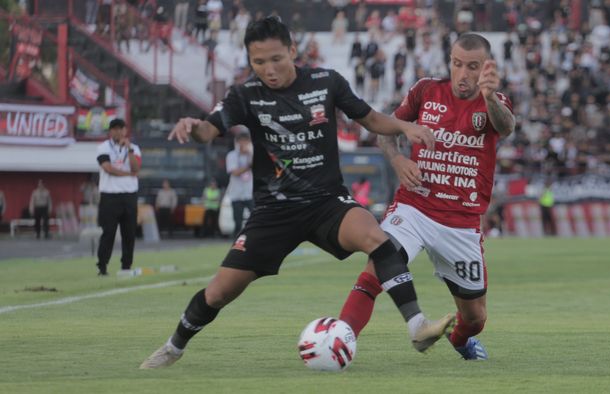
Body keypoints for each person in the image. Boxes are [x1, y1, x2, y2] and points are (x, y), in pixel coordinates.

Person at [140, 16, 452, 369]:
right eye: (259, 62)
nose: (269, 70)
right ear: (249, 60)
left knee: (378, 239)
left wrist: (405, 126)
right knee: (219, 292)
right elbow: (208, 132)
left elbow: (369, 118)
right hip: (275, 211)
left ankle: (417, 326)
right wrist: (192, 126)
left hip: (326, 202)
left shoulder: (326, 82)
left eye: (276, 59)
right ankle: (173, 348)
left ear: (292, 51)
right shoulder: (245, 95)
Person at [337, 33, 515, 361]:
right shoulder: (426, 90)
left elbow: (506, 127)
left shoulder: (495, 102)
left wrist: (489, 97)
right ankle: (339, 338)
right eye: (457, 64)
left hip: (461, 223)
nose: (463, 74)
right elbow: (386, 130)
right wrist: (398, 160)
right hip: (415, 206)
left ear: (486, 67)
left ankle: (461, 342)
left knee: (475, 318)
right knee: (379, 262)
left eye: (472, 67)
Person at [95, 118, 142, 276]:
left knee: (129, 233)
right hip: (110, 196)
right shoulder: (103, 147)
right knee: (108, 232)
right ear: (110, 131)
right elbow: (107, 168)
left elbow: (136, 167)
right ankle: (102, 266)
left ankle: (126, 266)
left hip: (129, 195)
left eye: (121, 128)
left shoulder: (134, 148)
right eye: (115, 129)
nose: (118, 132)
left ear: (125, 130)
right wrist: (128, 174)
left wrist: (129, 150)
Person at [225, 130, 254, 237]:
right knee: (237, 221)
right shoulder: (231, 155)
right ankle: (237, 242)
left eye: (246, 142)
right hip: (236, 194)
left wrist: (250, 154)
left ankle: (252, 238)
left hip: (250, 192)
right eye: (242, 141)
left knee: (255, 217)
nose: (244, 144)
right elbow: (235, 172)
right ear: (237, 143)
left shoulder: (251, 155)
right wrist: (248, 166)